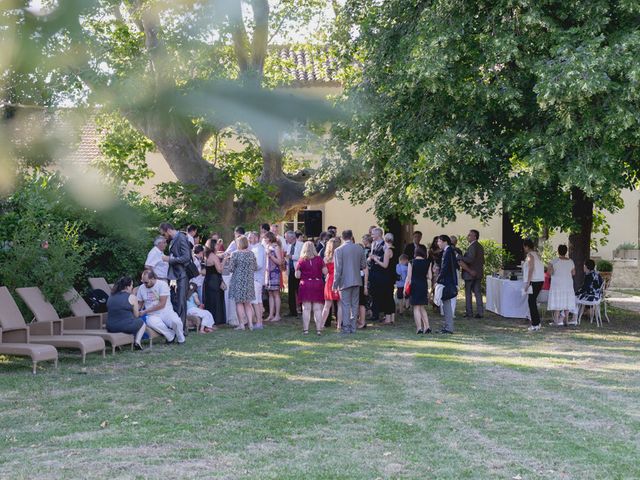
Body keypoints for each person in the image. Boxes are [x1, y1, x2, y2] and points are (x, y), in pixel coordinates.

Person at [159, 222, 191, 335]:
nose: (164, 236)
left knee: (181, 301)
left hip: (182, 275)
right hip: (174, 276)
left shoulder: (181, 238)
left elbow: (187, 257)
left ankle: (181, 330)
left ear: (168, 230)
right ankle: (179, 327)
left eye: (163, 234)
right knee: (175, 300)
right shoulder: (173, 239)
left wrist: (170, 259)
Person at [333, 230, 367, 334]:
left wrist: (335, 284)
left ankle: (346, 327)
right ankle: (353, 327)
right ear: (352, 236)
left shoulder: (339, 250)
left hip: (344, 281)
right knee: (355, 304)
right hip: (357, 280)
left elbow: (338, 269)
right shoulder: (359, 248)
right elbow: (364, 265)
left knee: (346, 305)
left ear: (343, 238)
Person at [137, 270, 185, 344]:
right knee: (151, 322)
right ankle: (170, 336)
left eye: (146, 282)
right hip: (152, 314)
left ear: (153, 278)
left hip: (166, 311)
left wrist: (145, 311)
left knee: (176, 322)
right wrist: (136, 311)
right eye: (142, 282)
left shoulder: (162, 285)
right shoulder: (141, 288)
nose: (144, 284)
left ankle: (181, 339)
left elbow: (162, 304)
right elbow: (140, 303)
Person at [295, 241, 327, 335]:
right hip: (317, 283)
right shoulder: (319, 259)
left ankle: (306, 330)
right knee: (317, 308)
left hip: (306, 284)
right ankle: (318, 330)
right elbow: (325, 271)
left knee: (306, 308)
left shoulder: (301, 260)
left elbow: (297, 275)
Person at [106, 276, 146, 350]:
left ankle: (118, 344)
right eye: (131, 285)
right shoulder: (132, 297)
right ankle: (137, 342)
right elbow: (136, 315)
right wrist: (142, 312)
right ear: (127, 287)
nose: (132, 287)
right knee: (141, 322)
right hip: (124, 327)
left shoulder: (111, 296)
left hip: (110, 327)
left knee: (126, 322)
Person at [229, 235, 258, 330]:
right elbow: (255, 267)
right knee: (248, 303)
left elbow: (231, 269)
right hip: (249, 281)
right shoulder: (251, 254)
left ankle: (241, 324)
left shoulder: (235, 254)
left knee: (239, 303)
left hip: (238, 281)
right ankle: (250, 324)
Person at [369, 232, 396, 325]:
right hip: (391, 275)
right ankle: (392, 318)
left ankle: (388, 319)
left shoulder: (387, 250)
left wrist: (376, 259)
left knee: (387, 297)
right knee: (390, 297)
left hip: (385, 276)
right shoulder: (394, 249)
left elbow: (385, 265)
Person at [547, 244, 576, 326]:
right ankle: (566, 321)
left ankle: (556, 321)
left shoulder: (554, 261)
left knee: (557, 302)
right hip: (568, 284)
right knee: (567, 301)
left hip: (557, 284)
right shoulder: (571, 261)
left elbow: (550, 272)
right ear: (566, 251)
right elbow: (573, 273)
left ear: (558, 251)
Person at [404, 246, 431, 334]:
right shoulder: (428, 262)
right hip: (423, 285)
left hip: (414, 285)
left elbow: (409, 277)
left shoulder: (412, 262)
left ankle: (419, 328)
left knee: (416, 307)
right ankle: (427, 327)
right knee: (422, 307)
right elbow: (430, 277)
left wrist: (405, 288)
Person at [459, 229, 484, 319]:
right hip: (478, 273)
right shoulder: (480, 246)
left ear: (475, 237)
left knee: (468, 293)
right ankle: (480, 312)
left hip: (470, 273)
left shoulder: (473, 246)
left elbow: (470, 259)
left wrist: (459, 257)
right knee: (477, 293)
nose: (468, 236)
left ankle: (469, 312)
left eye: (470, 235)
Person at [436, 235, 458, 334]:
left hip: (447, 282)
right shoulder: (447, 251)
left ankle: (449, 327)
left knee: (446, 303)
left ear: (445, 242)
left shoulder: (448, 251)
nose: (438, 243)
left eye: (439, 241)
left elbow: (445, 267)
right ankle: (448, 326)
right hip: (448, 281)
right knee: (446, 304)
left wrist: (438, 278)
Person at [571, 259, 604, 324]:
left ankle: (574, 318)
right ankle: (576, 317)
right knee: (576, 296)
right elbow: (600, 285)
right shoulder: (597, 274)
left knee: (574, 298)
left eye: (584, 266)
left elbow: (584, 289)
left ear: (586, 267)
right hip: (598, 296)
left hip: (591, 297)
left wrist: (575, 293)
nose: (583, 267)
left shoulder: (589, 275)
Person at [522, 239, 545, 331]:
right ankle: (537, 323)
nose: (524, 249)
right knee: (532, 301)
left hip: (534, 281)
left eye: (524, 247)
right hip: (539, 280)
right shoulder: (537, 254)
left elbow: (531, 268)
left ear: (527, 246)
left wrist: (528, 282)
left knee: (531, 302)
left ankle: (535, 324)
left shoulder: (530, 255)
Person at [203, 239, 226, 325]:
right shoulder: (213, 256)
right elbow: (219, 270)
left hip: (208, 279)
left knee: (210, 300)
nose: (218, 246)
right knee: (216, 299)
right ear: (212, 246)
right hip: (215, 279)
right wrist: (225, 260)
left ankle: (210, 319)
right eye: (216, 245)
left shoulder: (206, 255)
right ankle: (217, 319)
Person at [321, 237, 342, 329]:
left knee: (327, 305)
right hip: (340, 280)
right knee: (340, 304)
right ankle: (339, 325)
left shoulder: (326, 258)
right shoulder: (341, 257)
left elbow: (325, 272)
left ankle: (321, 324)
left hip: (330, 280)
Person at [248, 231, 267, 329]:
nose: (249, 239)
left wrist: (247, 267)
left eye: (250, 237)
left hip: (256, 278)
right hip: (256, 278)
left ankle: (259, 323)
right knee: (258, 301)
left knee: (255, 301)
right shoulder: (254, 248)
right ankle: (259, 322)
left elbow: (258, 265)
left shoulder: (259, 248)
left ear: (256, 238)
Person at [368, 227, 386, 322]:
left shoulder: (384, 245)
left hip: (381, 272)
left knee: (380, 293)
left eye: (373, 234)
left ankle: (381, 312)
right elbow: (371, 255)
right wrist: (369, 258)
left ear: (378, 235)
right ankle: (374, 313)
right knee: (373, 293)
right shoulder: (373, 244)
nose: (371, 236)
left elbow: (385, 258)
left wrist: (375, 257)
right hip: (373, 271)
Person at [264, 231, 283, 322]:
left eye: (266, 238)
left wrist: (270, 256)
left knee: (276, 293)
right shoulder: (267, 246)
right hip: (268, 273)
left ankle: (277, 314)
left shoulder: (276, 247)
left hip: (275, 272)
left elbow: (280, 261)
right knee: (270, 294)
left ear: (270, 238)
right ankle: (271, 315)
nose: (265, 239)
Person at [285, 230, 304, 317]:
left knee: (300, 290)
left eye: (287, 237)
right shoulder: (289, 246)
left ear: (292, 237)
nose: (286, 239)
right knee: (291, 292)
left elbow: (302, 257)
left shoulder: (301, 245)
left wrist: (291, 257)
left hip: (299, 271)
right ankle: (292, 311)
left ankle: (302, 309)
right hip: (291, 271)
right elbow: (287, 258)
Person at [428, 236, 442, 307]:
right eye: (436, 241)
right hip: (434, 269)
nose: (437, 243)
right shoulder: (431, 250)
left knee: (439, 286)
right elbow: (430, 260)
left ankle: (439, 303)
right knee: (434, 286)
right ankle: (435, 303)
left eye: (438, 241)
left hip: (441, 269)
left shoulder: (442, 249)